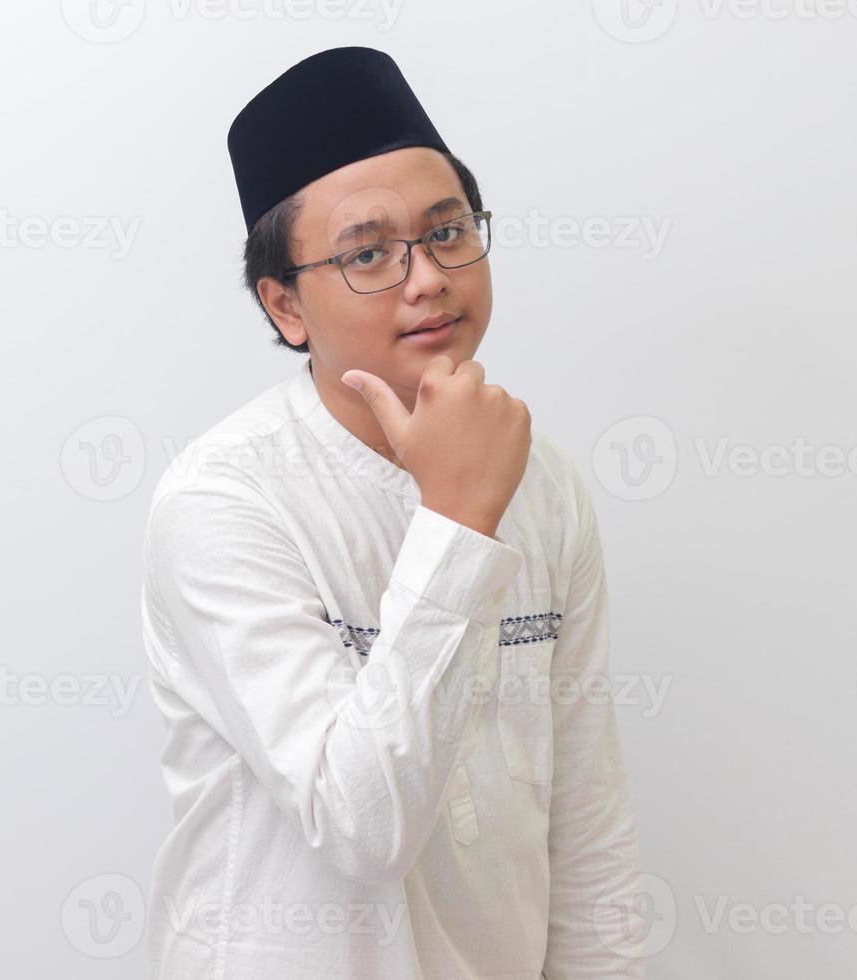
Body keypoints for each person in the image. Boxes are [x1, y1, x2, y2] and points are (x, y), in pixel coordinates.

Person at [141, 45, 647, 979]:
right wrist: (458, 518)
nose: (427, 279)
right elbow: (359, 825)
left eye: (449, 231)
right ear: (285, 305)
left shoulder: (547, 483)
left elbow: (588, 828)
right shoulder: (224, 501)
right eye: (368, 253)